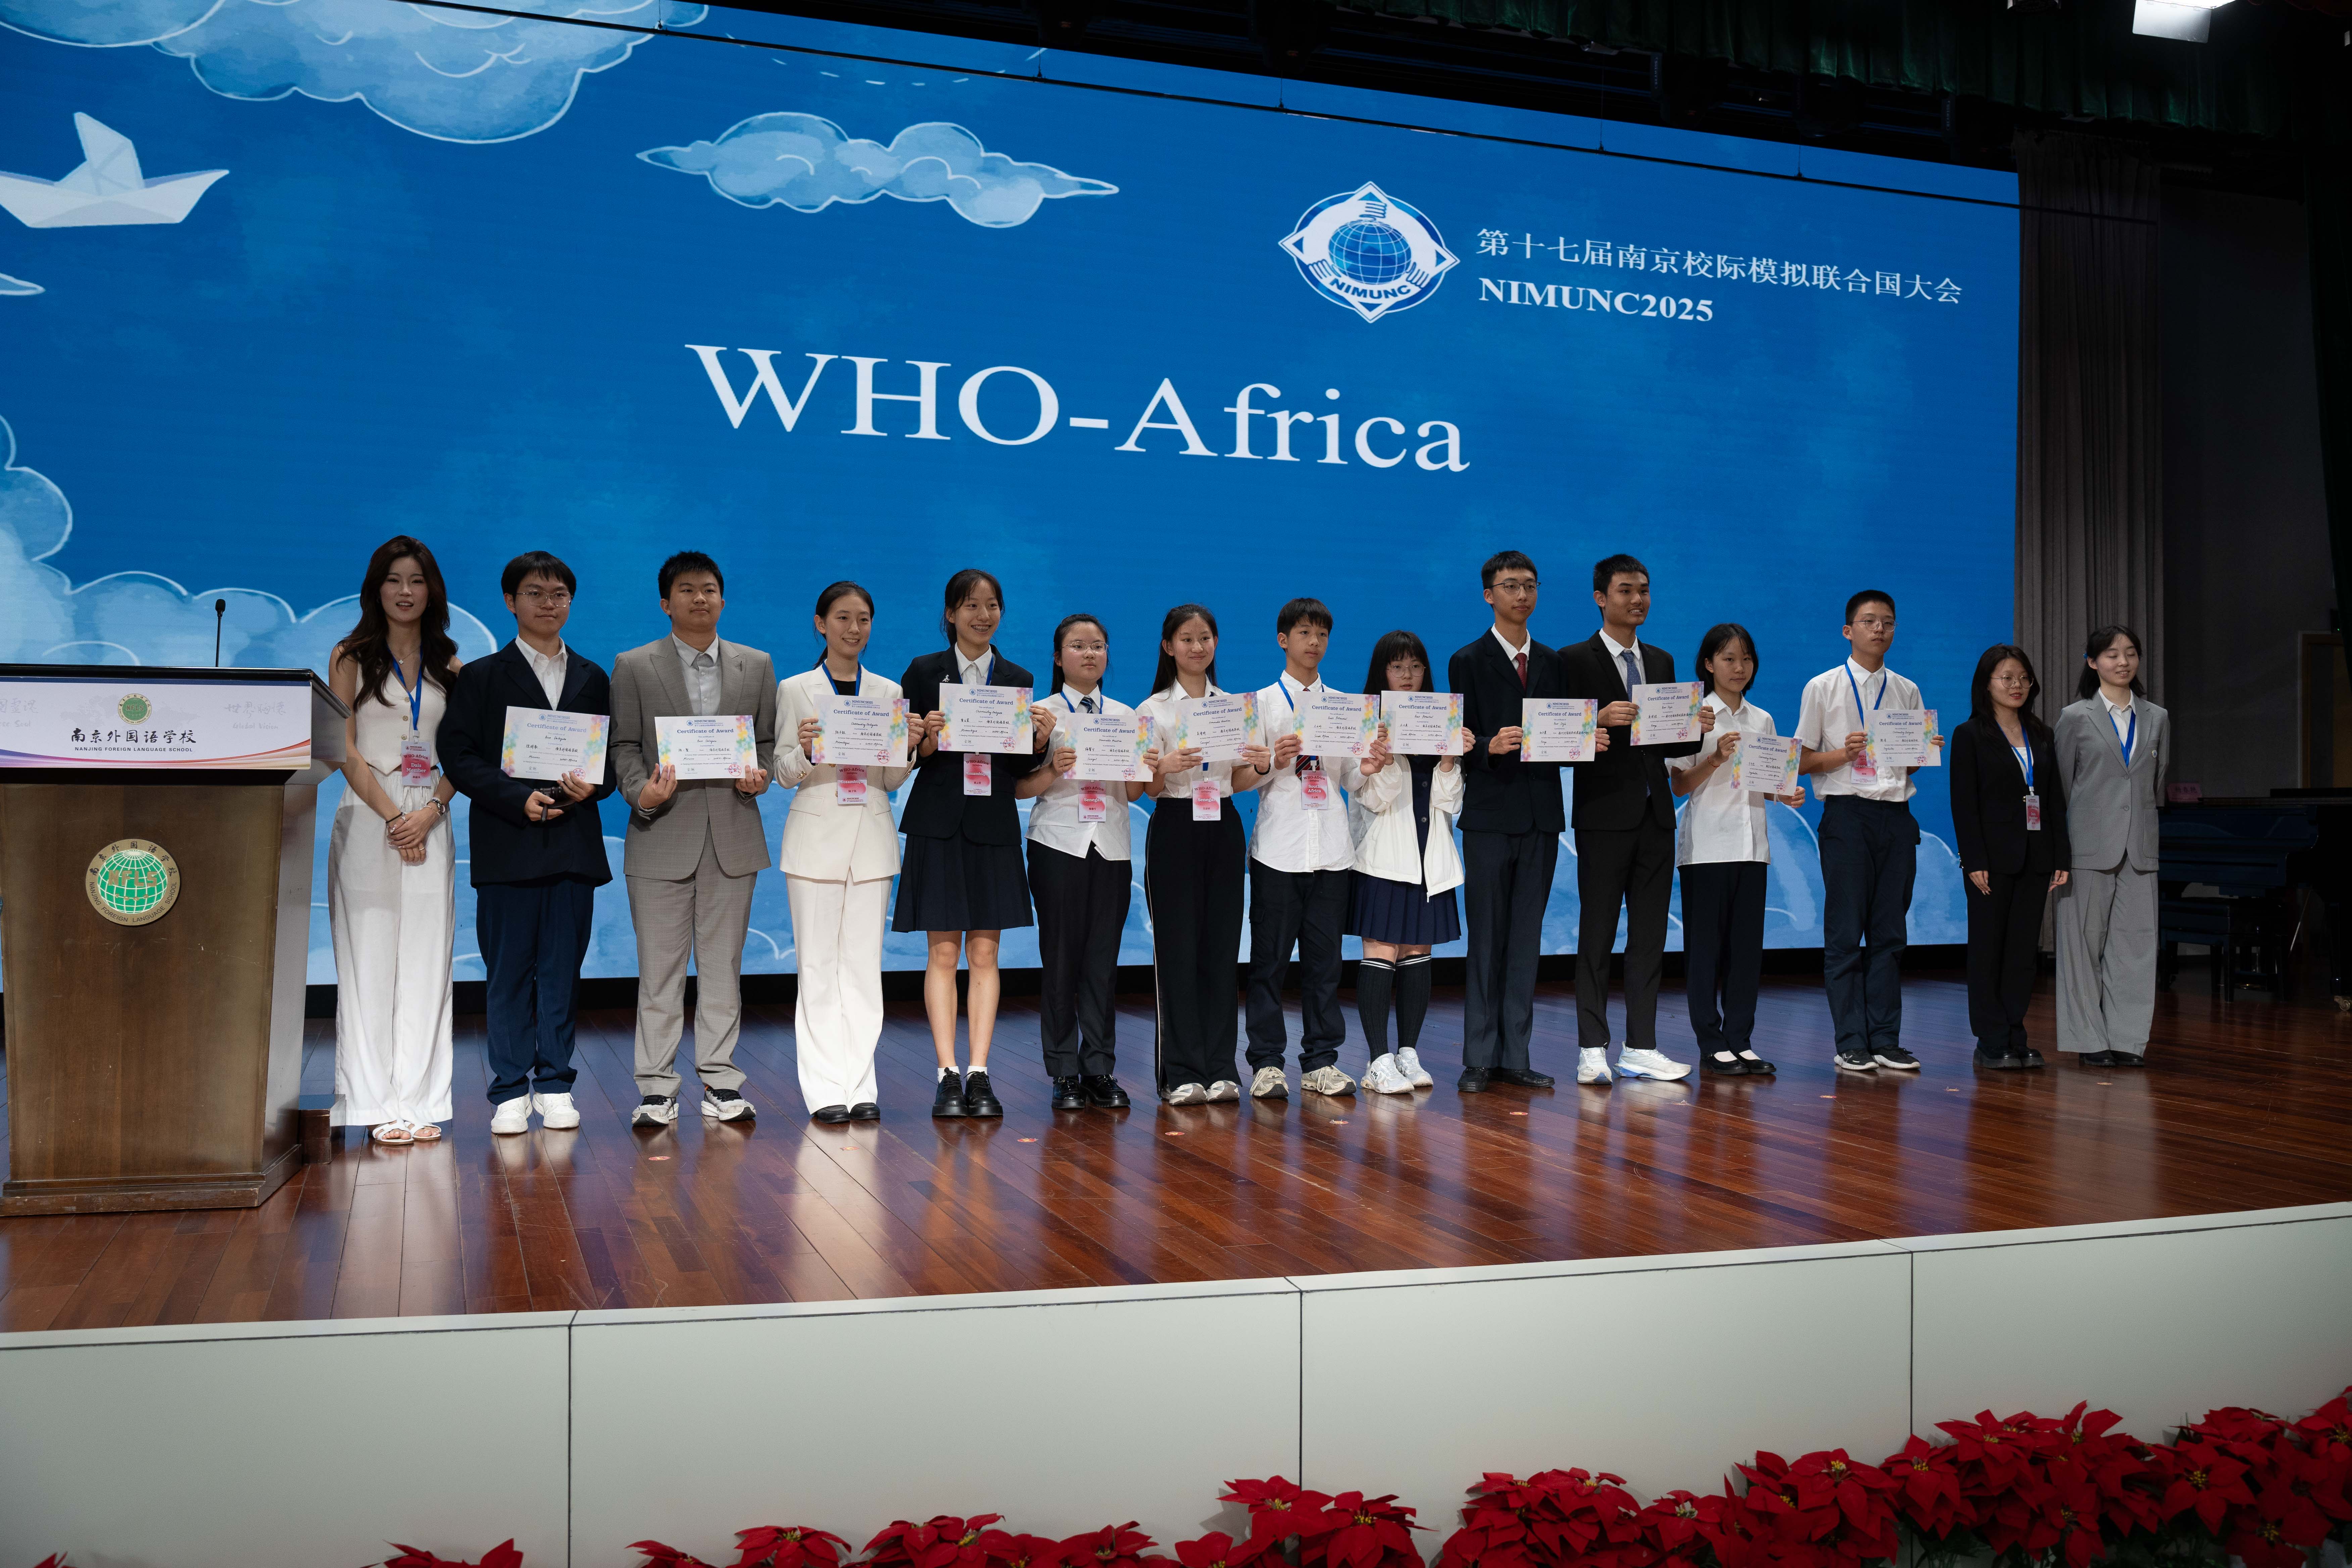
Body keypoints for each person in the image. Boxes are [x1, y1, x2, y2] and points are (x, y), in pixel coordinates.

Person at [439, 550, 615, 1134]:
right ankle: (510, 1089)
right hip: (508, 840)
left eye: (559, 594)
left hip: (572, 844)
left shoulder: (593, 676)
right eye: (535, 593)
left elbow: (609, 763)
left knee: (562, 971)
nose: (548, 603)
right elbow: (459, 755)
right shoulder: (483, 676)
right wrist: (516, 797)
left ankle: (557, 1083)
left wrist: (593, 786)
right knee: (508, 971)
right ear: (510, 601)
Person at [608, 550, 778, 1127]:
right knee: (659, 972)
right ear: (666, 602)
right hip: (660, 833)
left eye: (709, 589)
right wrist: (643, 793)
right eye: (686, 590)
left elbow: (766, 742)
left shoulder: (757, 665)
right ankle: (656, 1087)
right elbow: (623, 745)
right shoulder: (633, 665)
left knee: (723, 967)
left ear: (723, 599)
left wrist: (760, 774)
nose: (699, 598)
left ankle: (721, 1080)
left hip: (732, 833)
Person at [896, 569, 1055, 1120]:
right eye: (970, 606)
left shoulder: (1017, 677)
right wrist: (926, 740)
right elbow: (906, 753)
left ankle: (980, 1072)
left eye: (991, 606)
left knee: (985, 953)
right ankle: (946, 1074)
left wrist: (1039, 740)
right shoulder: (923, 671)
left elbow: (1019, 764)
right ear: (950, 614)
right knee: (943, 953)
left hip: (992, 824)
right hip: (938, 823)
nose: (982, 616)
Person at [327, 536, 462, 1146]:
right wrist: (392, 819)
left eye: (417, 580)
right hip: (368, 815)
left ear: (432, 591)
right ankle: (372, 1102)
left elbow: (464, 753)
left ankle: (420, 1099)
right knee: (369, 958)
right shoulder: (350, 656)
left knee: (428, 959)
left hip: (432, 814)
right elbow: (344, 749)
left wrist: (430, 812)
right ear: (375, 588)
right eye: (393, 580)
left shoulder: (451, 665)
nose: (405, 592)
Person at [1559, 553, 1709, 1085]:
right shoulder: (1572, 660)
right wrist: (1595, 719)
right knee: (1597, 934)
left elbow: (1668, 743)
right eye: (1626, 590)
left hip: (1656, 814)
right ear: (1601, 598)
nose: (1638, 599)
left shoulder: (1662, 660)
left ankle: (1641, 1045)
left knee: (1649, 938)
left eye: (1644, 590)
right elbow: (1549, 736)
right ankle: (1592, 1047)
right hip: (1603, 814)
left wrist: (1695, 725)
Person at [1448, 551, 1590, 1094]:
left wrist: (1586, 738)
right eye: (1510, 586)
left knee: (1526, 939)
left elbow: (1563, 733)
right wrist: (1489, 745)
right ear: (1489, 595)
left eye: (1530, 585)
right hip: (1489, 815)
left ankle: (1516, 1055)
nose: (1522, 595)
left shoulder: (1553, 662)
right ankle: (1479, 1058)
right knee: (1486, 939)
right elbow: (1459, 737)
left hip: (1540, 817)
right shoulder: (1467, 660)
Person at [774, 582, 910, 1123]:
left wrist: (911, 747)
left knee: (862, 968)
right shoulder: (795, 689)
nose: (854, 629)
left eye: (864, 619)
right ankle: (825, 1088)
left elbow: (891, 779)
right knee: (816, 966)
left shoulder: (888, 690)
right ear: (820, 623)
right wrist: (807, 751)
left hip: (871, 841)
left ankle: (861, 1085)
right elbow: (783, 772)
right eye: (843, 618)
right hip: (814, 841)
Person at [1796, 589, 1940, 1074]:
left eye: (1888, 622)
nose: (1880, 629)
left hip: (1896, 817)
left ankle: (1886, 1039)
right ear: (1848, 630)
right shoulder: (1823, 687)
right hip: (1846, 815)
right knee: (1845, 933)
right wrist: (1845, 754)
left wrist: (1923, 752)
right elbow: (1800, 761)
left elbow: (1907, 768)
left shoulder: (1907, 690)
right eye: (1869, 621)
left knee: (1890, 933)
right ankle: (1851, 1041)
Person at [1245, 598, 1384, 1101]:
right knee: (1269, 964)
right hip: (1278, 851)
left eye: (1322, 634)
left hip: (1331, 851)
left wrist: (1366, 768)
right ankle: (1266, 1063)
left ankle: (1321, 1061)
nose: (1314, 643)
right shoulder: (1260, 704)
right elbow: (1242, 779)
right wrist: (1272, 762)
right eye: (1305, 633)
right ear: (1283, 640)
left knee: (1326, 966)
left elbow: (1351, 779)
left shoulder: (1346, 707)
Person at [1137, 603, 1273, 1104]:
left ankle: (1221, 1068)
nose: (1198, 647)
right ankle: (1180, 1072)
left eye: (1206, 638)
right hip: (1175, 823)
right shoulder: (1151, 710)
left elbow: (1239, 778)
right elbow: (1147, 788)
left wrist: (1261, 766)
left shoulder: (1235, 707)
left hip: (1224, 824)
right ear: (1168, 647)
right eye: (1187, 639)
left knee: (1221, 950)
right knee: (1178, 951)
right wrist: (1165, 767)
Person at [1665, 623, 1806, 1077]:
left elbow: (1764, 784)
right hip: (1707, 847)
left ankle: (1741, 1040)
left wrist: (1785, 793)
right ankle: (1711, 1042)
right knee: (1706, 950)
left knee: (1746, 951)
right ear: (1709, 664)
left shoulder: (1762, 719)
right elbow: (1679, 785)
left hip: (1752, 847)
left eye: (1746, 658)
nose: (1739, 667)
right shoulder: (1695, 715)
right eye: (1728, 658)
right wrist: (1715, 758)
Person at [1017, 614, 1142, 1112]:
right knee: (1061, 960)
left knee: (1102, 963)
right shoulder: (1040, 715)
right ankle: (1064, 1071)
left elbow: (1135, 792)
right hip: (1058, 844)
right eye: (1078, 645)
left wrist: (1146, 765)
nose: (1090, 654)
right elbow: (1018, 789)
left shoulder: (1128, 716)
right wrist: (1052, 767)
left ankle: (1100, 1067)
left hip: (1111, 845)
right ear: (1058, 657)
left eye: (1098, 646)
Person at [1348, 630, 1462, 1096]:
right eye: (1398, 667)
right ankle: (1378, 1060)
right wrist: (1388, 754)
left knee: (1418, 953)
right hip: (1383, 859)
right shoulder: (1367, 725)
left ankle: (1408, 1053)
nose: (1408, 675)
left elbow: (1449, 803)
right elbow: (1373, 798)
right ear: (1383, 673)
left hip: (1429, 859)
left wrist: (1449, 760)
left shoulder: (1440, 722)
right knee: (1382, 952)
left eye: (1416, 666)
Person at [1950, 645, 2071, 1070]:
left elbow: (2053, 800)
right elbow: (1964, 804)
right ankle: (1990, 1038)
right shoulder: (1969, 734)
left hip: (2036, 856)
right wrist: (1973, 860)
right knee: (1989, 950)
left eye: (2023, 678)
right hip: (1990, 860)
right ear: (1986, 685)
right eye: (2006, 678)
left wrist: (2061, 855)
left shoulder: (2042, 733)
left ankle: (2016, 1033)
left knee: (2022, 952)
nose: (2017, 685)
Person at [2053, 626, 2168, 1068]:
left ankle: (2128, 1039)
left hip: (2139, 847)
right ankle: (2088, 1038)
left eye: (2131, 653)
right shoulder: (2074, 717)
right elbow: (2061, 788)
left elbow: (2155, 783)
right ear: (2092, 662)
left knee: (2136, 945)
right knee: (2082, 944)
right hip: (2086, 848)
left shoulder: (2157, 717)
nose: (2123, 662)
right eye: (2112, 655)